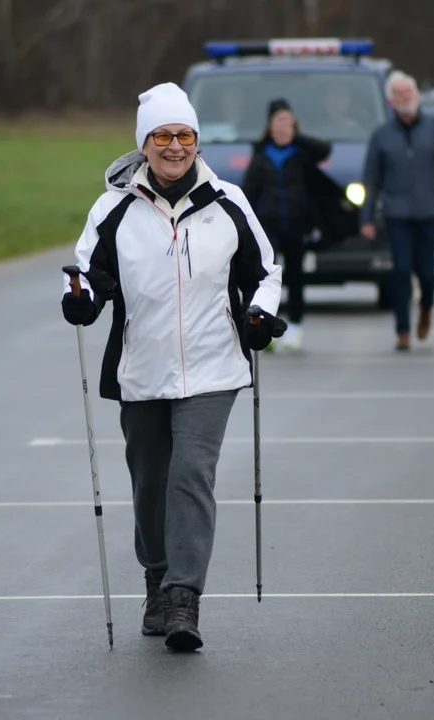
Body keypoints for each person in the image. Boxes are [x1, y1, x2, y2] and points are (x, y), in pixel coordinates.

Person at [60, 82, 283, 652]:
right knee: (150, 481)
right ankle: (156, 578)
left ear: (196, 142)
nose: (175, 147)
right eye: (163, 136)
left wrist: (260, 314)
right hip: (142, 368)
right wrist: (81, 300)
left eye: (184, 136)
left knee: (191, 474)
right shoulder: (113, 208)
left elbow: (265, 271)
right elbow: (85, 274)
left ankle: (184, 599)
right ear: (144, 144)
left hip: (213, 367)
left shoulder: (228, 201)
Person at [359, 70, 434, 351]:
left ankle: (426, 307)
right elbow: (371, 179)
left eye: (408, 93)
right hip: (396, 213)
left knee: (427, 274)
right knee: (400, 271)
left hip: (429, 211)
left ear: (417, 96)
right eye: (398, 94)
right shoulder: (382, 135)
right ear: (390, 102)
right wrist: (366, 217)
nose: (405, 98)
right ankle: (402, 329)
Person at [241, 98, 331, 350]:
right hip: (268, 226)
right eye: (278, 121)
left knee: (296, 275)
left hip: (296, 224)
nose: (282, 126)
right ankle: (264, 325)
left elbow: (324, 150)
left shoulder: (300, 153)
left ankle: (296, 327)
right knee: (267, 276)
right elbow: (249, 192)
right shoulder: (261, 154)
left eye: (287, 121)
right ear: (269, 125)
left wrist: (295, 137)